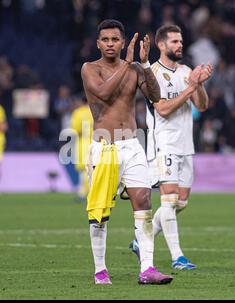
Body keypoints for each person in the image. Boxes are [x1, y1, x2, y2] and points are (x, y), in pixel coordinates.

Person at [81, 19, 172, 285]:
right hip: (104, 147)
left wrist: (143, 65)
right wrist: (127, 65)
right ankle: (100, 270)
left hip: (132, 145)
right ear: (98, 43)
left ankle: (147, 269)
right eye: (105, 39)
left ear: (122, 42)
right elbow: (104, 93)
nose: (110, 44)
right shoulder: (90, 69)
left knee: (143, 201)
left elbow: (156, 97)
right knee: (100, 213)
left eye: (115, 39)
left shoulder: (134, 68)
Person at [130, 25, 212, 270]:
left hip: (186, 145)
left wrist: (199, 84)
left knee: (181, 202)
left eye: (181, 41)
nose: (180, 45)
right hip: (163, 144)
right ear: (161, 45)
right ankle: (178, 257)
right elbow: (163, 109)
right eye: (174, 41)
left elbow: (203, 105)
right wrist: (190, 87)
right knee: (169, 200)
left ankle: (140, 240)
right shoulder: (152, 72)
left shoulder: (186, 71)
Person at [70, 96, 93, 200]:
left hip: (82, 143)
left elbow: (75, 129)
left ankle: (83, 193)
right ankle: (90, 191)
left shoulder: (78, 113)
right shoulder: (95, 110)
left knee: (84, 169)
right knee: (92, 168)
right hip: (96, 141)